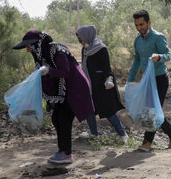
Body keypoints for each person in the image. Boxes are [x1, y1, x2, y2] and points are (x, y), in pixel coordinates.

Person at [12, 30, 94, 165]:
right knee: (56, 118)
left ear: (36, 44)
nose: (27, 50)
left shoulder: (55, 49)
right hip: (63, 91)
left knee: (63, 118)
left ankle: (66, 154)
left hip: (75, 87)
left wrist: (48, 71)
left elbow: (65, 71)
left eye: (28, 46)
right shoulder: (42, 55)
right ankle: (62, 151)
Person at [128, 9, 171, 152]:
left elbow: (168, 55)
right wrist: (130, 80)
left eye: (141, 24)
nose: (139, 28)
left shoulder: (158, 37)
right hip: (147, 81)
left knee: (151, 111)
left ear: (149, 23)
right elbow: (137, 61)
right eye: (136, 25)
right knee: (152, 111)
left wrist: (159, 57)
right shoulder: (137, 40)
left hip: (159, 80)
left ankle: (147, 142)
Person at [75, 25, 128, 144]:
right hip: (90, 86)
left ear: (87, 36)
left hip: (103, 85)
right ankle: (94, 135)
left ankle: (123, 134)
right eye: (79, 40)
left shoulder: (101, 49)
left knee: (108, 111)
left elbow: (107, 68)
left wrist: (108, 80)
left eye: (81, 39)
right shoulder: (85, 50)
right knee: (89, 110)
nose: (80, 42)